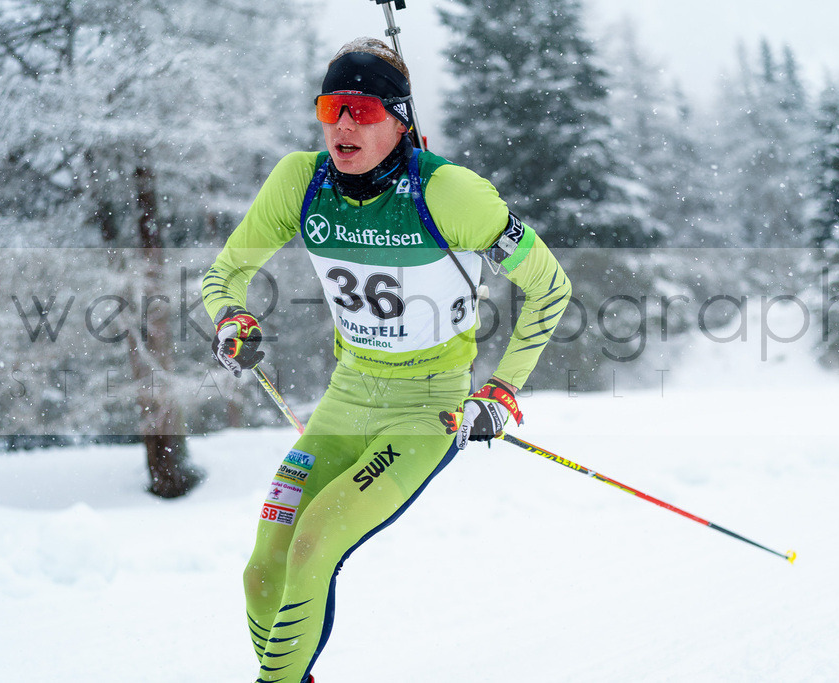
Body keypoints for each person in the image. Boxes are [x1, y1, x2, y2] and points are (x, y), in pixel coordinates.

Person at [202, 37, 571, 683]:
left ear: (400, 120)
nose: (344, 124)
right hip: (349, 397)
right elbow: (226, 272)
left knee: (314, 546)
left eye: (365, 111)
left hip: (426, 411)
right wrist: (233, 317)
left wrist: (502, 389)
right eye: (333, 106)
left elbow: (550, 286)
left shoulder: (452, 193)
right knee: (263, 569)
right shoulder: (301, 180)